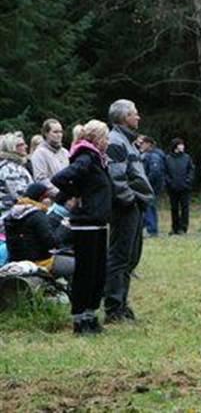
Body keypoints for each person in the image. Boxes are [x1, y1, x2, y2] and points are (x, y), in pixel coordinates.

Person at [52, 119, 113, 335]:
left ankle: (90, 315)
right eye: (105, 138)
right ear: (96, 139)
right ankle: (79, 320)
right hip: (85, 224)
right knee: (86, 273)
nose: (108, 142)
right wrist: (75, 194)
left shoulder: (98, 159)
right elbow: (60, 178)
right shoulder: (85, 157)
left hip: (98, 222)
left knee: (98, 273)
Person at [105, 99, 153, 322]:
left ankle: (123, 305)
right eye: (135, 114)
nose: (139, 117)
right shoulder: (116, 141)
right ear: (124, 117)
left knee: (131, 258)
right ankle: (114, 309)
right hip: (126, 208)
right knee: (119, 258)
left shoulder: (128, 141)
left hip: (136, 205)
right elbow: (117, 177)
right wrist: (130, 201)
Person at [3, 182, 70, 275]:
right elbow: (52, 243)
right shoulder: (37, 215)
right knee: (79, 264)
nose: (50, 200)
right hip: (40, 262)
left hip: (15, 260)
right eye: (47, 197)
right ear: (41, 198)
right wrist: (64, 226)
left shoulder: (11, 214)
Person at [30, 119, 69, 198]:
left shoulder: (65, 152)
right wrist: (60, 194)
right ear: (46, 133)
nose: (59, 135)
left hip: (69, 195)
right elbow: (41, 179)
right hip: (52, 199)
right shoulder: (39, 153)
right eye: (55, 132)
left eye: (61, 132)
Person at [0, 132, 33, 219]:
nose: (26, 146)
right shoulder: (9, 169)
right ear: (12, 148)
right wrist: (42, 206)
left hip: (22, 211)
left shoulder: (17, 166)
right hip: (13, 216)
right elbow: (19, 196)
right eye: (21, 145)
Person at [164, 138, 194, 235]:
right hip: (172, 188)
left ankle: (183, 227)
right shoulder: (168, 158)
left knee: (185, 208)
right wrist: (169, 182)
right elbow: (165, 172)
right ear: (175, 146)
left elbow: (191, 170)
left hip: (185, 188)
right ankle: (175, 227)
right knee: (174, 208)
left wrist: (187, 182)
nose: (183, 147)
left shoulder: (187, 158)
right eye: (180, 145)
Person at [139, 136, 165, 237]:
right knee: (149, 207)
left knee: (149, 207)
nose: (141, 145)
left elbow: (155, 172)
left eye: (143, 143)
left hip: (151, 186)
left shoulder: (154, 156)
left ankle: (152, 230)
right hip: (150, 186)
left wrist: (146, 182)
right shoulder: (146, 155)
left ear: (148, 144)